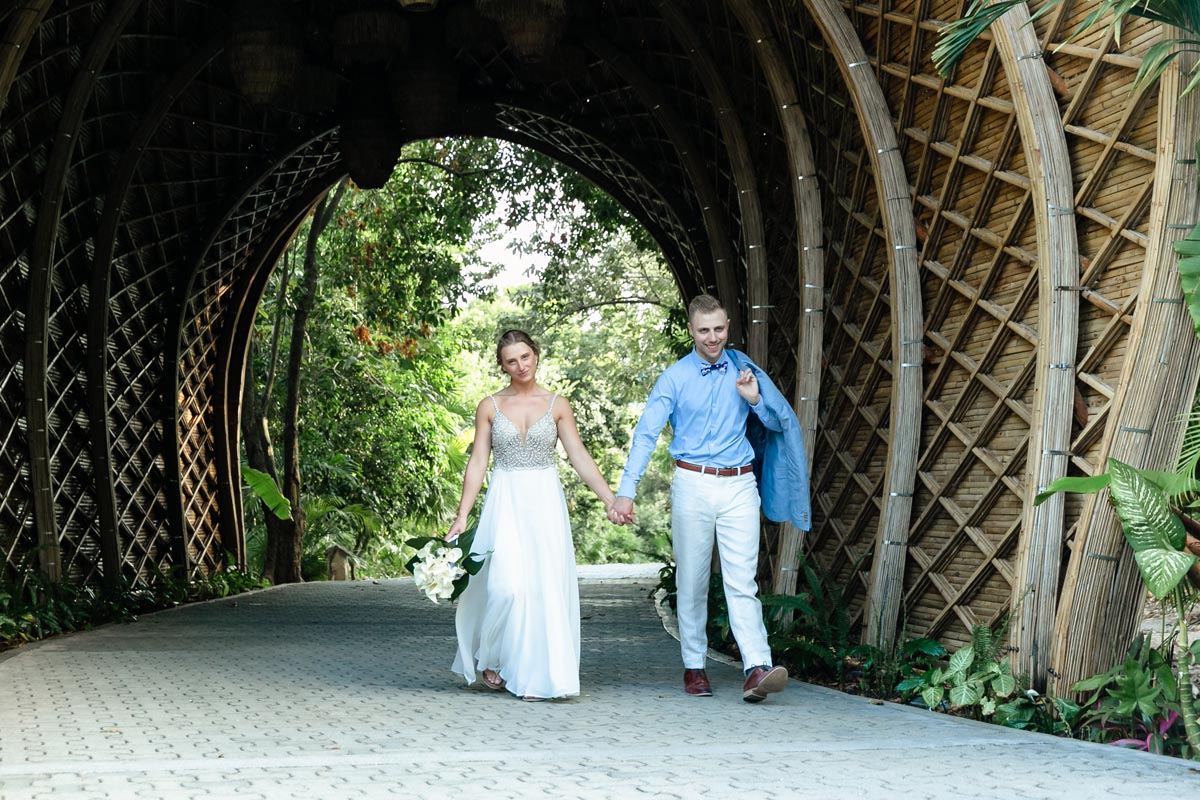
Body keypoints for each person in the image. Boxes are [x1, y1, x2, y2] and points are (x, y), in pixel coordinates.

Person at [609, 294, 811, 703]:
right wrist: (626, 492)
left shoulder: (743, 370)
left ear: (728, 325)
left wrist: (754, 398)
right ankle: (694, 666)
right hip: (693, 483)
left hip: (738, 485)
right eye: (704, 330)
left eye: (719, 329)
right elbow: (647, 434)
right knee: (693, 579)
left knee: (743, 582)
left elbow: (777, 422)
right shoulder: (674, 378)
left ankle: (756, 667)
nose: (713, 337)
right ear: (691, 331)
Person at [447, 329, 620, 701]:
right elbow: (478, 462)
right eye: (512, 360)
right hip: (505, 500)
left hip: (544, 502)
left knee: (544, 590)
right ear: (502, 365)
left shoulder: (557, 404)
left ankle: (537, 678)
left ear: (536, 355)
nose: (520, 365)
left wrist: (609, 499)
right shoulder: (489, 406)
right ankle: (491, 656)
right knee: (505, 587)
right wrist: (462, 515)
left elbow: (579, 457)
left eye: (525, 357)